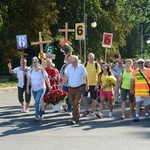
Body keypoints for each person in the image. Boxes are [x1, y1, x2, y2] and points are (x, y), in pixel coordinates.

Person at [64, 55, 89, 125]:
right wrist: (62, 84)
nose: (73, 63)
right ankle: (77, 116)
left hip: (79, 88)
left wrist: (87, 85)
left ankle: (74, 118)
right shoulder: (69, 67)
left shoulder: (81, 67)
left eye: (74, 62)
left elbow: (86, 76)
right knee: (73, 103)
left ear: (77, 61)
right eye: (71, 62)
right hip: (71, 88)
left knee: (75, 102)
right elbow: (66, 76)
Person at [26, 57, 51, 121]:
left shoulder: (42, 70)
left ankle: (36, 116)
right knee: (38, 102)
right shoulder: (30, 71)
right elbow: (28, 80)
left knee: (37, 101)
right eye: (33, 62)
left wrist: (49, 85)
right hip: (34, 88)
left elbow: (46, 78)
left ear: (38, 62)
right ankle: (40, 115)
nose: (34, 63)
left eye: (36, 62)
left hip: (41, 87)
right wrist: (27, 88)